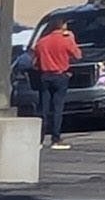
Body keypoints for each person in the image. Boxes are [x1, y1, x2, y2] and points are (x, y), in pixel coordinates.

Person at [32, 15, 77, 149]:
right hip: (60, 75)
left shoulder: (42, 42)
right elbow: (77, 54)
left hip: (45, 75)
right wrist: (71, 39)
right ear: (62, 26)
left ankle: (39, 139)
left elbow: (35, 61)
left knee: (43, 109)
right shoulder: (66, 40)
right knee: (57, 108)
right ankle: (55, 138)